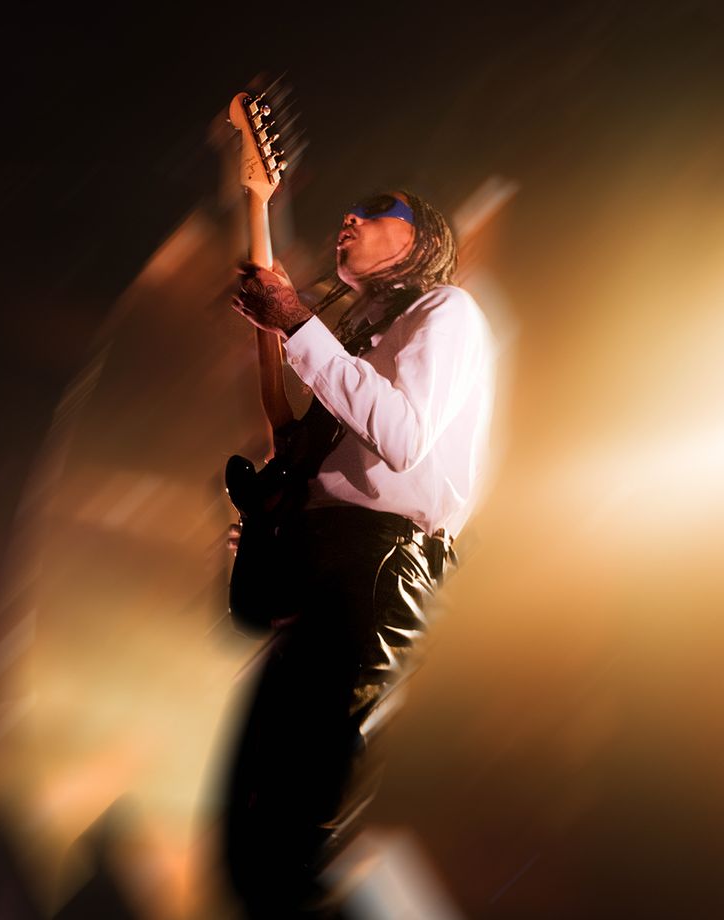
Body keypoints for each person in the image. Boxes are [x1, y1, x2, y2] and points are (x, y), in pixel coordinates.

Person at [223, 191, 495, 917]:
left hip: (376, 573)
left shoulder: (446, 313)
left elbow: (402, 438)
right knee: (249, 828)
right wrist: (276, 521)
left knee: (293, 830)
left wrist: (298, 324)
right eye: (346, 209)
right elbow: (325, 458)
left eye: (378, 210)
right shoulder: (362, 336)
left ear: (424, 239)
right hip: (329, 562)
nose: (348, 217)